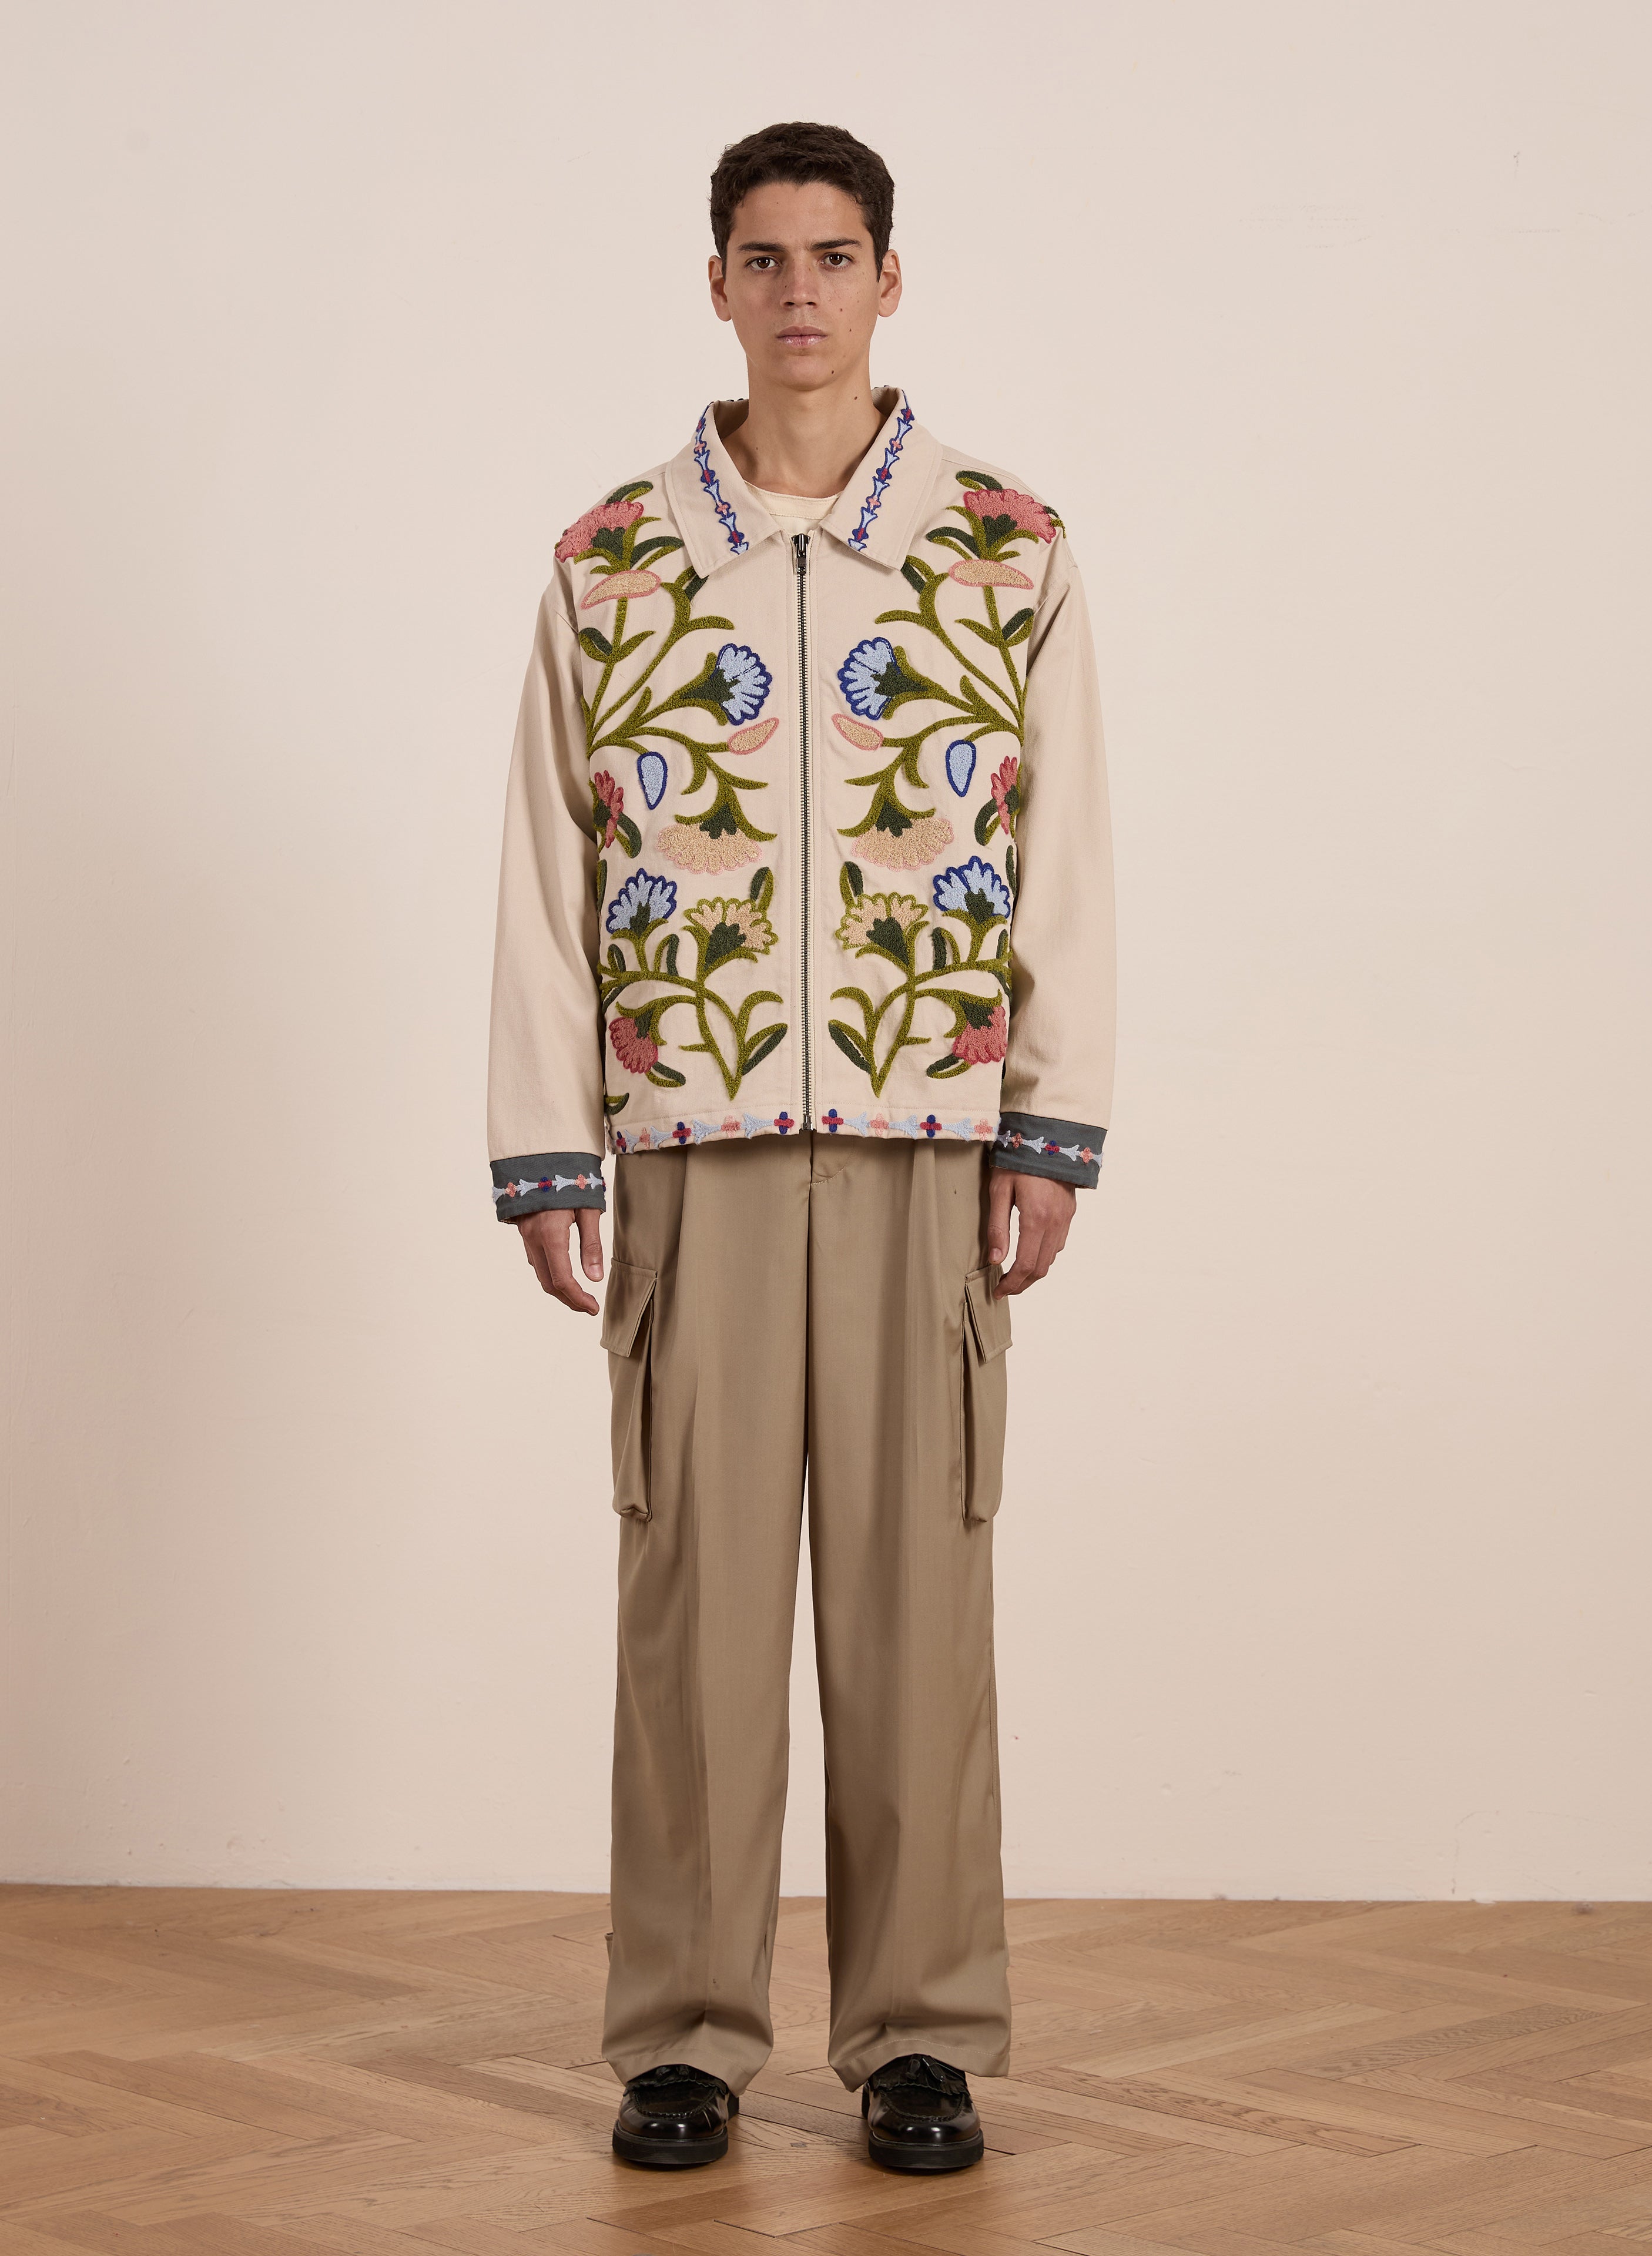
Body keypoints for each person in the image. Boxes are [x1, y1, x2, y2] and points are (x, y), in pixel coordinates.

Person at [486, 120, 1115, 2174]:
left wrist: (1053, 1118)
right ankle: (681, 2035)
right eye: (763, 258)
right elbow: (540, 873)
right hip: (694, 1143)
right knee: (693, 1607)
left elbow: (1066, 848)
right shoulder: (611, 560)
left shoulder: (1004, 548)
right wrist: (550, 1147)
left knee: (922, 1606)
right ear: (718, 283)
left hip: (932, 1137)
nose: (800, 294)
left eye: (833, 255)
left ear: (891, 276)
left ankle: (919, 2036)